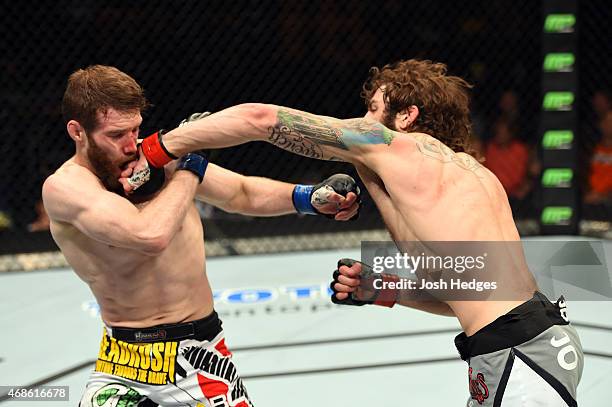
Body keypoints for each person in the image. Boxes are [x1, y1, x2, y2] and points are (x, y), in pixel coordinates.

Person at [126, 59, 583, 406]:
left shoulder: (401, 148)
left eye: (372, 109)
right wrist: (385, 290)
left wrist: (160, 147)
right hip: (528, 344)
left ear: (406, 117)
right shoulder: (464, 176)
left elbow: (261, 118)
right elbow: (474, 293)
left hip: (519, 359)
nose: (360, 120)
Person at [42, 65, 361, 407]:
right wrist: (190, 166)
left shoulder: (153, 158)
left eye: (134, 129)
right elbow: (150, 235)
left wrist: (308, 198)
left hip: (201, 358)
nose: (129, 145)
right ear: (77, 131)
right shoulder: (66, 188)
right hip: (122, 363)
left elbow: (240, 193)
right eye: (116, 134)